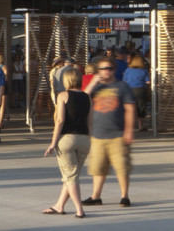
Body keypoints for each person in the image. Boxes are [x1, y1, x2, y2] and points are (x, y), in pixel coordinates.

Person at [82, 58, 135, 207]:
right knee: (98, 167)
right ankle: (95, 196)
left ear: (114, 70)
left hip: (117, 134)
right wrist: (92, 83)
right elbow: (82, 99)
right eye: (104, 68)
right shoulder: (95, 88)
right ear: (98, 70)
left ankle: (124, 196)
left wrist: (129, 130)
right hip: (98, 134)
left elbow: (130, 109)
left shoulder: (122, 86)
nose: (107, 71)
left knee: (121, 167)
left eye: (110, 68)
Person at [42, 66, 91, 218]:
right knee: (71, 176)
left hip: (67, 139)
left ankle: (79, 210)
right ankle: (59, 205)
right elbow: (90, 121)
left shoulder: (62, 95)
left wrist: (53, 142)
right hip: (84, 139)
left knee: (70, 177)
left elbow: (60, 120)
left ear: (66, 80)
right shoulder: (87, 97)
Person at [122, 55, 151, 132]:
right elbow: (148, 82)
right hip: (140, 90)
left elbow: (124, 81)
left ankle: (130, 126)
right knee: (141, 108)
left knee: (130, 108)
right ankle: (141, 126)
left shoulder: (128, 70)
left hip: (129, 90)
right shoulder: (143, 70)